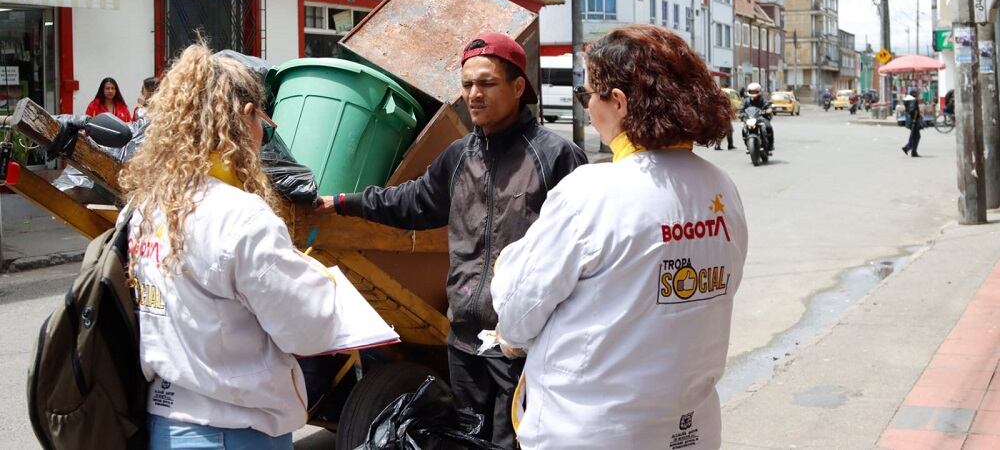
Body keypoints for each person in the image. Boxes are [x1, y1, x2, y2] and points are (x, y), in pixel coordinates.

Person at [490, 25, 748, 449]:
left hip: (591, 431)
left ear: (619, 102)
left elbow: (519, 313)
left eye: (587, 94)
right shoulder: (721, 187)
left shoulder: (592, 192)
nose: (587, 107)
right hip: (690, 431)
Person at [329, 32, 587, 448]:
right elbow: (410, 202)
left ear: (518, 87)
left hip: (522, 346)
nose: (473, 94)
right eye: (467, 85)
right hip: (464, 341)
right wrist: (341, 202)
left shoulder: (556, 156)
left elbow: (580, 251)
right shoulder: (459, 156)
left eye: (486, 83)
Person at [120, 43, 343, 449]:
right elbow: (309, 332)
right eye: (264, 122)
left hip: (165, 425)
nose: (263, 136)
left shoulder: (149, 205)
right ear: (246, 117)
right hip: (233, 431)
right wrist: (318, 282)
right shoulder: (241, 216)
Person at [740, 81, 774, 150]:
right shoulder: (746, 101)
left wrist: (768, 110)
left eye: (755, 92)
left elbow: (768, 107)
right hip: (750, 118)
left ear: (758, 91)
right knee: (743, 129)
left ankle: (770, 145)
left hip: (761, 118)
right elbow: (742, 108)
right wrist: (741, 114)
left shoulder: (762, 100)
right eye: (751, 92)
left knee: (768, 127)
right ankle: (747, 143)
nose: (753, 93)